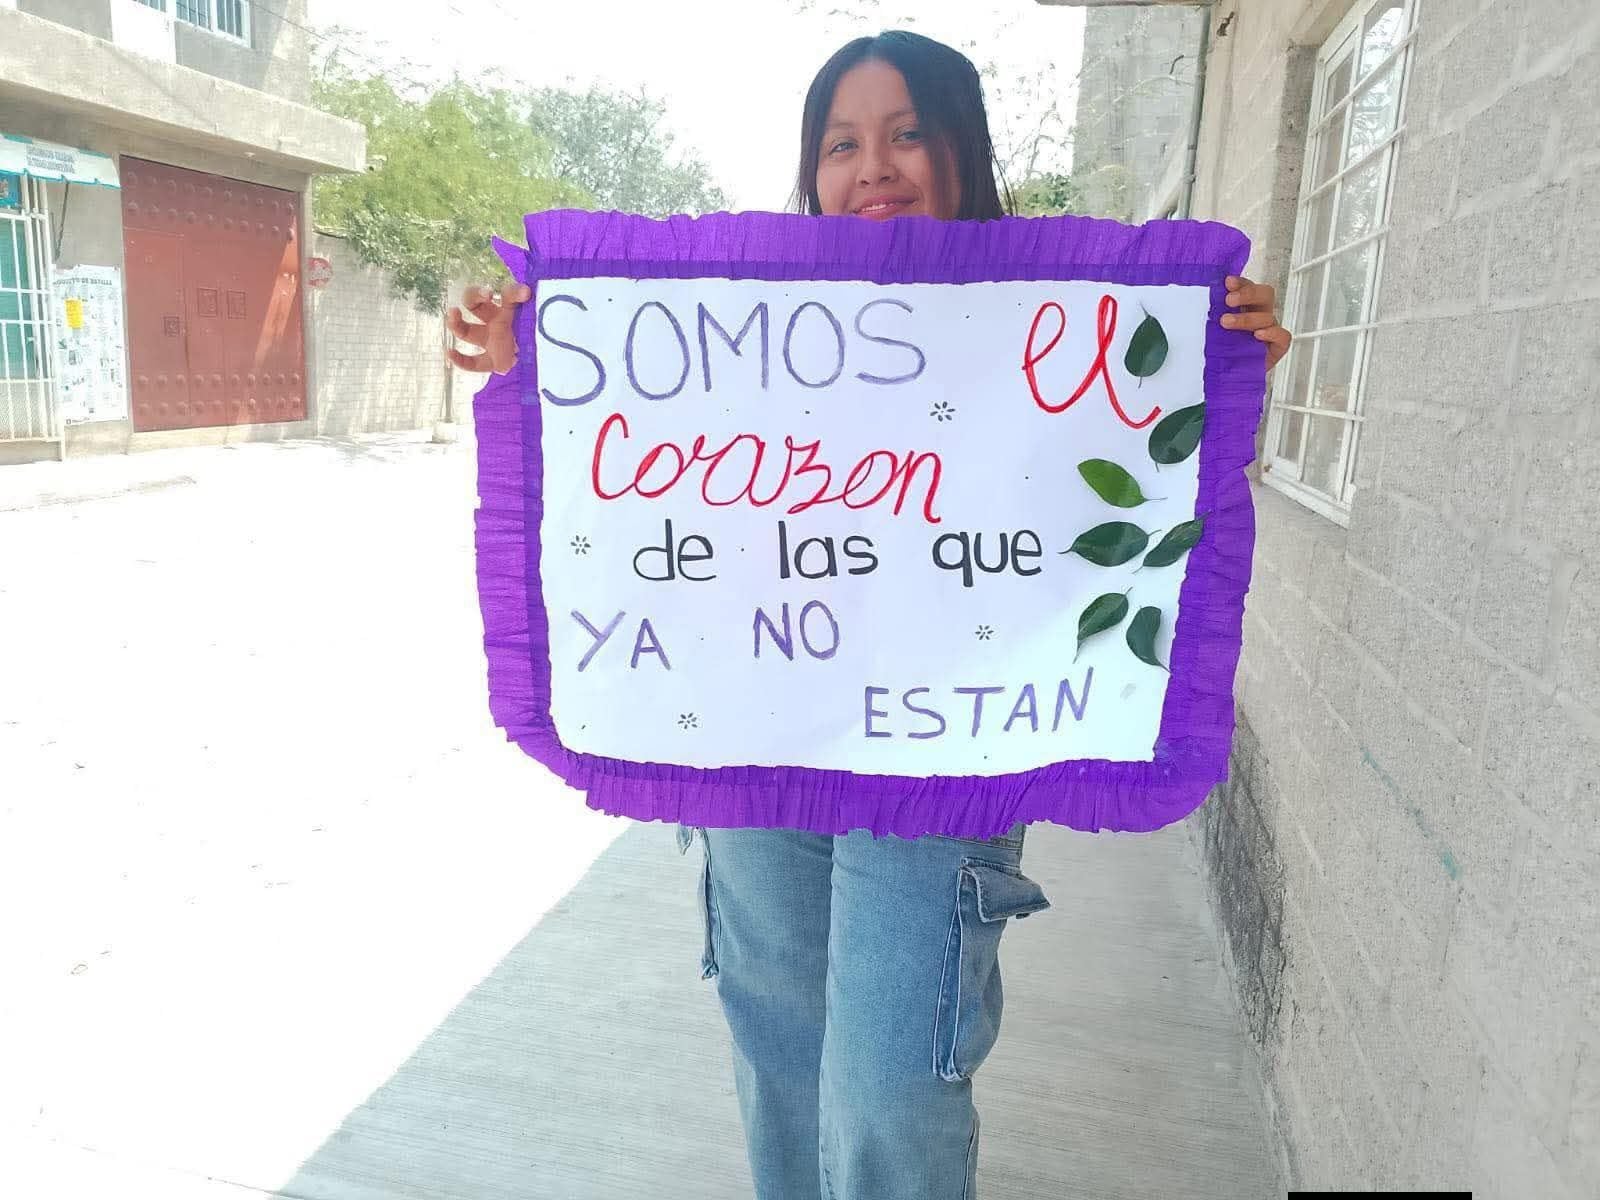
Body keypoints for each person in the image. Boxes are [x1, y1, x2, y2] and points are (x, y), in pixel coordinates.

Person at [446, 30, 1291, 1200]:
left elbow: (1145, 491)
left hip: (940, 763)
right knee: (780, 1049)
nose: (871, 165)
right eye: (840, 142)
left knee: (889, 1084)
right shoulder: (749, 326)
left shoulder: (1052, 320)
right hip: (762, 746)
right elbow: (635, 456)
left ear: (961, 148)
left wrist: (1219, 361)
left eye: (905, 133)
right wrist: (528, 359)